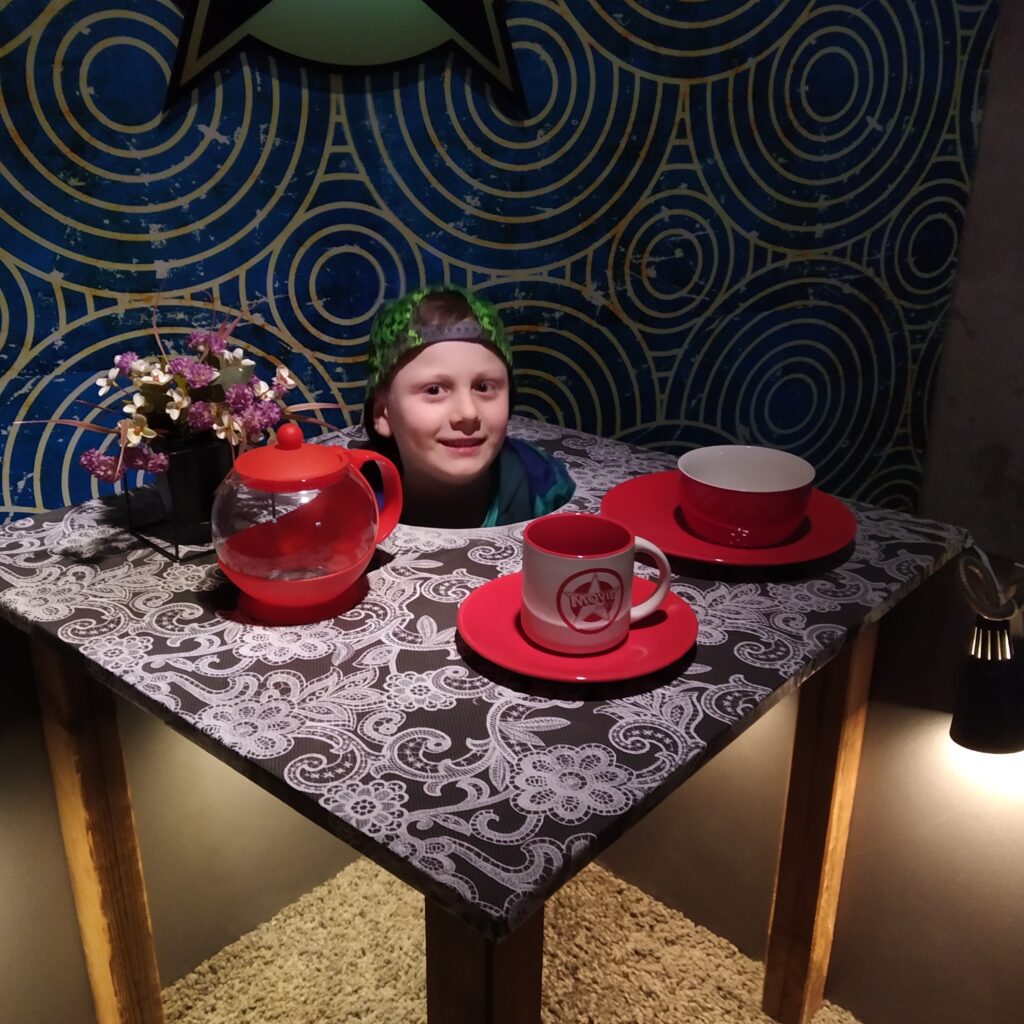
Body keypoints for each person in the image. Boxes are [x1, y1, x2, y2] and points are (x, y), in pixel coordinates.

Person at [363, 286, 575, 528]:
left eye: (484, 387)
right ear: (383, 414)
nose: (468, 413)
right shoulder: (353, 501)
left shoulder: (544, 490)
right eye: (434, 390)